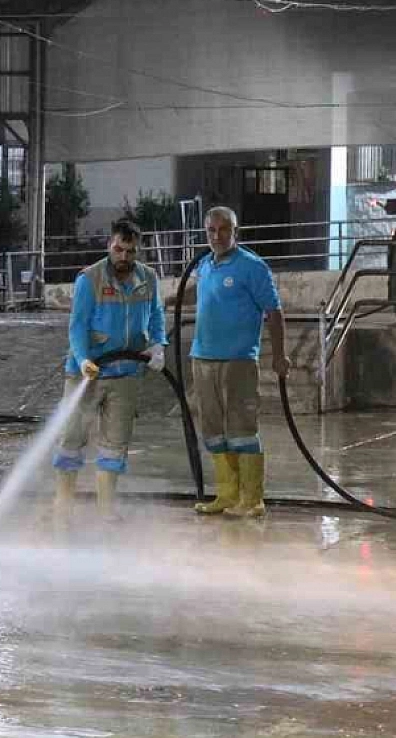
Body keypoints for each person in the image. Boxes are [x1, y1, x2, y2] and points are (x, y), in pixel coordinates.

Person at [54, 220, 168, 515]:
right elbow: (77, 326)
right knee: (72, 437)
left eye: (130, 252)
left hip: (127, 372)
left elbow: (156, 315)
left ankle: (105, 511)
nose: (124, 257)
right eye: (119, 249)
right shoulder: (89, 280)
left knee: (115, 443)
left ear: (138, 251)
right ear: (109, 245)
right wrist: (83, 360)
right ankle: (62, 506)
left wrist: (158, 345)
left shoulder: (149, 278)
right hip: (88, 373)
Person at [190, 206, 288, 518]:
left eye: (223, 230)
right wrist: (166, 301)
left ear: (236, 232)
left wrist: (280, 354)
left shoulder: (252, 267)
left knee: (242, 429)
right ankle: (227, 494)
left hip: (238, 361)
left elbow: (274, 311)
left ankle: (252, 498)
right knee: (214, 430)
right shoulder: (204, 265)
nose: (216, 236)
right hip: (203, 358)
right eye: (211, 230)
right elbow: (204, 294)